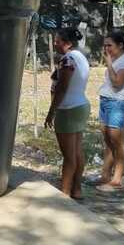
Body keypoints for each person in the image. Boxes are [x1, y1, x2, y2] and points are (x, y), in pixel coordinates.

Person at [44, 27, 91, 200]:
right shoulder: (81, 58)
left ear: (68, 43)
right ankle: (76, 189)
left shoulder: (68, 60)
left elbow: (62, 88)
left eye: (58, 41)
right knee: (77, 152)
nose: (55, 44)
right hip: (80, 105)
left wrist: (51, 112)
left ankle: (64, 193)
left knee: (69, 156)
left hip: (68, 109)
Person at [95, 31, 124, 192]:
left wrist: (108, 62)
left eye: (109, 45)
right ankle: (105, 175)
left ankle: (117, 179)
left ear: (120, 45)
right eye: (105, 45)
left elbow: (117, 83)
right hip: (106, 100)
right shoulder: (115, 59)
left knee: (117, 140)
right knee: (107, 139)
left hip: (119, 102)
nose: (106, 48)